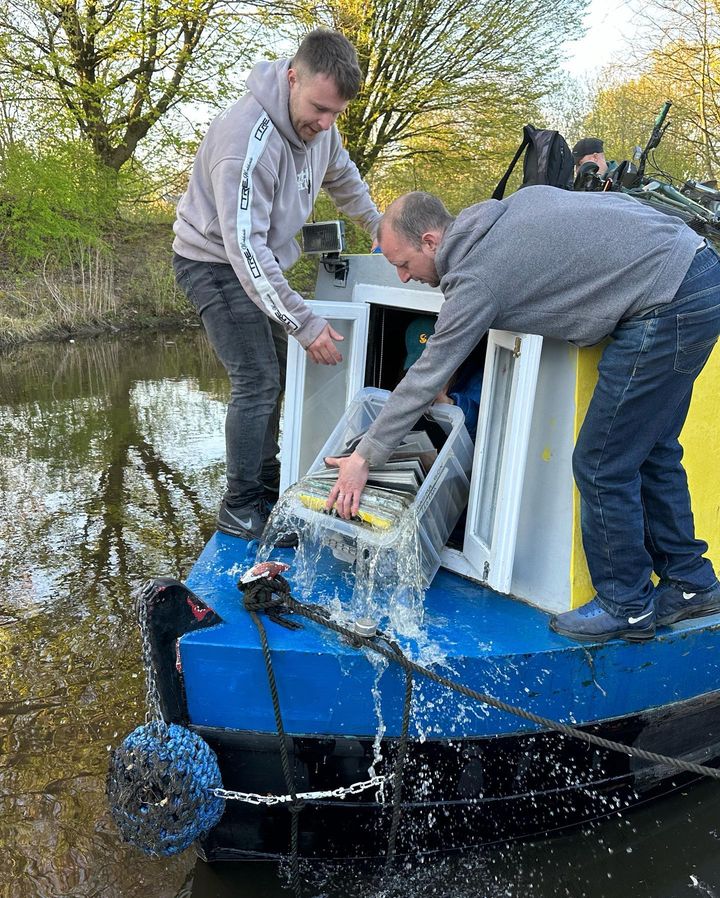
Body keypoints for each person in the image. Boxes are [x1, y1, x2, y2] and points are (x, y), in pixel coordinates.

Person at [324, 188, 720, 643]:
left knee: (601, 463)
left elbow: (426, 377)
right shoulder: (502, 215)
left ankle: (626, 606)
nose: (403, 277)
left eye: (403, 263)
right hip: (696, 268)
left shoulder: (477, 277)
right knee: (653, 449)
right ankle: (692, 584)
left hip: (669, 303)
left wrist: (364, 458)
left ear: (432, 241)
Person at [172, 29, 381, 542]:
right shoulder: (246, 141)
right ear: (293, 77)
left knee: (277, 374)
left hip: (255, 262)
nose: (325, 123)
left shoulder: (321, 128)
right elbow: (245, 250)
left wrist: (381, 231)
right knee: (257, 379)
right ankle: (240, 505)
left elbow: (344, 179)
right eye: (318, 108)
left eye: (335, 113)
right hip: (213, 262)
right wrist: (306, 323)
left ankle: (266, 489)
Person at [403, 315, 483, 440]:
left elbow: (479, 435)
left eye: (434, 367)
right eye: (420, 368)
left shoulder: (479, 381)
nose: (427, 375)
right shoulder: (412, 383)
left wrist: (449, 403)